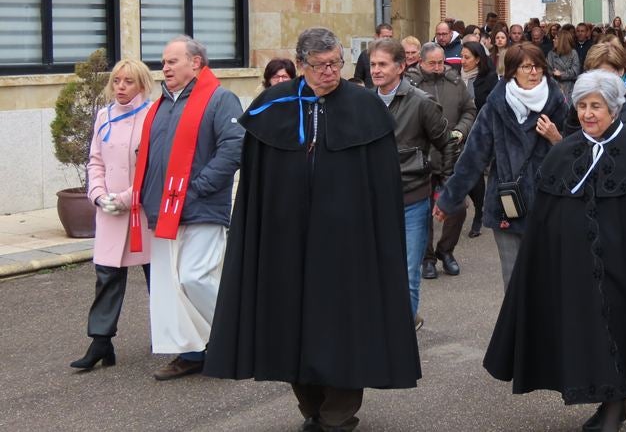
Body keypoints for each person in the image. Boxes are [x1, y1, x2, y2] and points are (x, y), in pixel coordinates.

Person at [203, 28, 420, 432]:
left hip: (348, 246)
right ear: (301, 65)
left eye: (335, 63)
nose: (329, 72)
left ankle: (339, 412)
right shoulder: (271, 107)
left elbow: (383, 185)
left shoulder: (365, 109)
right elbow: (255, 188)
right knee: (290, 324)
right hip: (286, 245)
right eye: (320, 66)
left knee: (344, 325)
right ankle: (311, 407)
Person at [483, 71, 626, 432]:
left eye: (596, 106)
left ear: (614, 110)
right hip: (579, 266)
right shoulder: (564, 152)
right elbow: (548, 218)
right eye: (583, 105)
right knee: (590, 332)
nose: (588, 114)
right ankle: (607, 402)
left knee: (620, 328)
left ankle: (615, 407)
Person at [129, 36, 244, 380]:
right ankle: (193, 352)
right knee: (171, 287)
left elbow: (235, 145)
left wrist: (197, 189)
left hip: (201, 207)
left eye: (172, 61)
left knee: (195, 278)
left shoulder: (220, 99)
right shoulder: (161, 104)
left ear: (195, 63)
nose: (164, 68)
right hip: (162, 212)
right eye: (163, 62)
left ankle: (237, 335)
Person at [434, 43, 568, 289]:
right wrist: (448, 199)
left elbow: (575, 153)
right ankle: (517, 327)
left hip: (548, 204)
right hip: (507, 203)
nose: (534, 72)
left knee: (547, 277)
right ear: (512, 71)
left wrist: (556, 139)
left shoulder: (558, 103)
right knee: (513, 278)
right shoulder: (495, 106)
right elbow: (473, 157)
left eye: (538, 66)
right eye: (526, 66)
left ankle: (546, 327)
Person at [70, 59, 156, 371]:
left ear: (142, 85)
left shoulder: (152, 116)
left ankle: (166, 333)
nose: (120, 87)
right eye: (117, 81)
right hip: (108, 211)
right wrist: (96, 194)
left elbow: (153, 169)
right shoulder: (104, 115)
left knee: (155, 276)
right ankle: (101, 341)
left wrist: (125, 198)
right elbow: (95, 160)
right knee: (107, 275)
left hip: (140, 211)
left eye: (128, 82)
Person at [370, 38, 451, 326]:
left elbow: (447, 144)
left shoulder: (421, 103)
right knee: (376, 270)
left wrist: (446, 188)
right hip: (374, 201)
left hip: (412, 200)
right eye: (373, 64)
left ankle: (402, 336)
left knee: (407, 272)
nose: (376, 70)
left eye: (383, 64)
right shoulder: (366, 102)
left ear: (401, 66)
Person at [410, 43, 477, 279]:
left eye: (441, 62)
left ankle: (446, 251)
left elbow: (470, 110)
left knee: (457, 207)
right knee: (423, 210)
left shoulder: (455, 81)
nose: (438, 67)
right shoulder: (411, 84)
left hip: (451, 154)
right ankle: (427, 258)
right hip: (422, 158)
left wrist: (461, 130)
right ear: (421, 62)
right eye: (433, 63)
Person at [564, 40, 626, 145]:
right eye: (593, 74)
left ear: (621, 71)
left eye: (605, 74)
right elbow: (571, 139)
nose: (598, 80)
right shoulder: (584, 97)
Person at [457, 40, 499, 238]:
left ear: (478, 59)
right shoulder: (455, 77)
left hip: (479, 131)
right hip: (457, 130)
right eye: (461, 56)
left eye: (467, 57)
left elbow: (491, 107)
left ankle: (478, 211)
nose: (462, 61)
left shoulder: (489, 79)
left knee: (474, 172)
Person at [353, 22, 392, 88]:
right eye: (385, 37)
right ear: (376, 36)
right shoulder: (365, 55)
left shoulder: (394, 55)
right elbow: (358, 79)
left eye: (390, 37)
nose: (388, 40)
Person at [546, 28, 580, 100]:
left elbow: (575, 72)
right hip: (555, 88)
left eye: (555, 39)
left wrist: (561, 74)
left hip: (570, 89)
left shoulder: (573, 53)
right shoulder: (551, 54)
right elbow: (548, 71)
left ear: (562, 41)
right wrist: (553, 74)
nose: (553, 40)